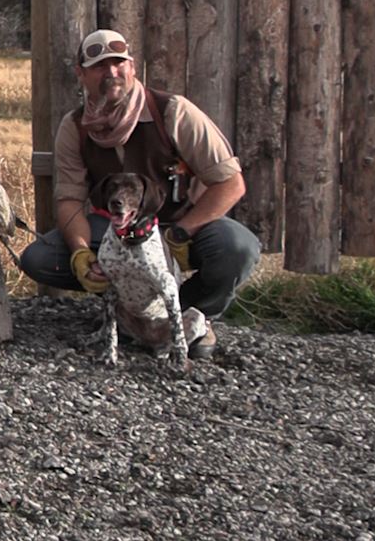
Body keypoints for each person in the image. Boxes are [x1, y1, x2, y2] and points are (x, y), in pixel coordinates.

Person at [17, 30, 261, 356]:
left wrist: (182, 232)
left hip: (181, 226)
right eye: (100, 67)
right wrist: (79, 254)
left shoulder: (174, 112)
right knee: (41, 258)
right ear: (81, 74)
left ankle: (194, 315)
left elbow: (231, 183)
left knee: (238, 248)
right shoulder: (74, 127)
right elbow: (70, 201)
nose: (111, 73)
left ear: (132, 67)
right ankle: (131, 316)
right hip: (118, 232)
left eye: (119, 64)